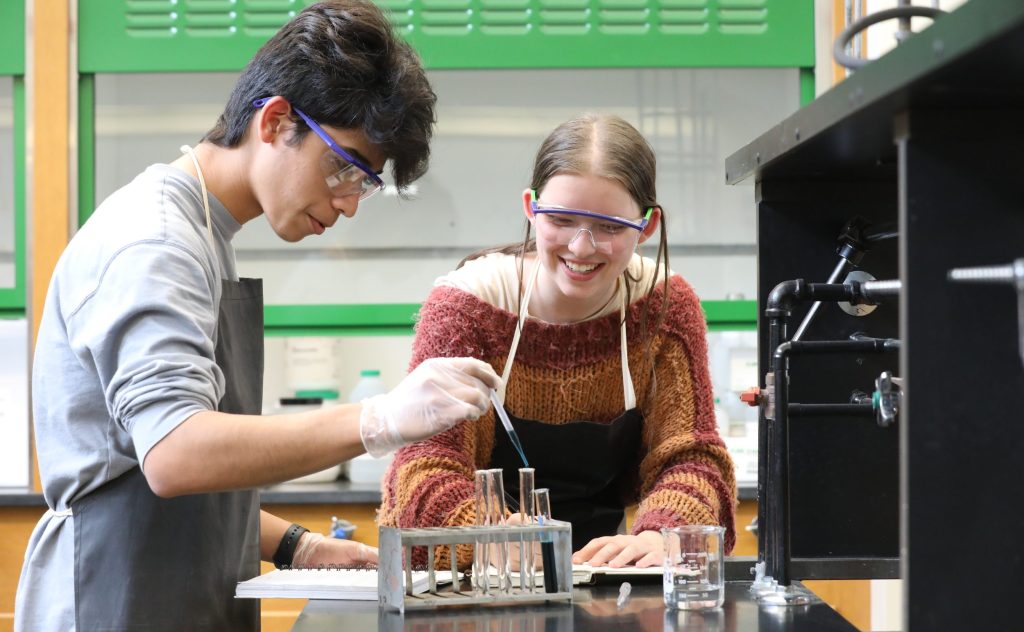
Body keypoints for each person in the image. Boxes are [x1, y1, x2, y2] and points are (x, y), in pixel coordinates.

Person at [15, 2, 500, 630]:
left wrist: (295, 545)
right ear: (274, 121)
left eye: (365, 184)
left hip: (175, 592)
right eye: (345, 168)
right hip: (112, 599)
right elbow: (174, 452)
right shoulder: (156, 241)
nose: (349, 205)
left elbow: (156, 472)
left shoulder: (204, 233)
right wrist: (380, 418)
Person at [379, 114, 736, 571]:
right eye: (562, 220)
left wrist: (667, 534)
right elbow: (423, 468)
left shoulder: (663, 309)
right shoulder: (469, 306)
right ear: (531, 207)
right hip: (482, 579)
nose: (582, 247)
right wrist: (483, 535)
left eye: (608, 227)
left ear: (646, 227)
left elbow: (692, 457)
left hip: (605, 573)